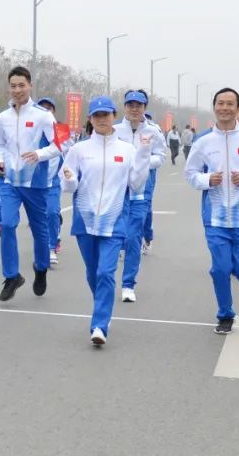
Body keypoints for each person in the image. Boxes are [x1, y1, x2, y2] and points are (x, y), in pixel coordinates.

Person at [61, 96, 152, 345]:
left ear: (114, 116)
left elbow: (136, 184)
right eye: (97, 115)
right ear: (90, 119)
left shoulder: (127, 150)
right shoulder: (79, 150)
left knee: (105, 272)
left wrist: (144, 154)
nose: (102, 119)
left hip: (114, 220)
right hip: (84, 220)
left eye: (106, 115)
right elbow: (68, 185)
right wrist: (69, 178)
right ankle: (103, 305)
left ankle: (100, 325)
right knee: (93, 273)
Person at [184, 87, 239, 335]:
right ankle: (225, 314)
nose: (225, 108)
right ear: (214, 107)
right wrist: (206, 180)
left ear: (237, 108)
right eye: (220, 103)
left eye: (230, 104)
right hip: (215, 218)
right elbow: (190, 173)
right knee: (220, 269)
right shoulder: (202, 141)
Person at [0, 66, 60, 301]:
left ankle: (41, 268)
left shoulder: (43, 115)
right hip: (10, 182)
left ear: (30, 86)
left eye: (22, 85)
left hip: (35, 182)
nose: (17, 90)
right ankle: (12, 276)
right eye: (13, 86)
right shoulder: (3, 118)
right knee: (7, 224)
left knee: (40, 230)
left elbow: (58, 145)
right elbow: (0, 146)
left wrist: (39, 154)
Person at [112, 90, 166, 300]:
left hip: (141, 192)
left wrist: (141, 162)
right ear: (125, 107)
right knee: (116, 234)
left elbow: (160, 157)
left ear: (144, 108)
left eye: (139, 105)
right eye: (130, 105)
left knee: (134, 236)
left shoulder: (153, 131)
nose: (134, 109)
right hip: (117, 190)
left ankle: (128, 285)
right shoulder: (114, 130)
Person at [36, 97, 66, 264]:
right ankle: (44, 242)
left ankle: (52, 247)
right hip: (35, 182)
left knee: (53, 212)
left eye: (49, 108)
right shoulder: (31, 131)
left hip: (53, 181)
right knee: (40, 216)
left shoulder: (61, 130)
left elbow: (69, 151)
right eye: (42, 108)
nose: (46, 111)